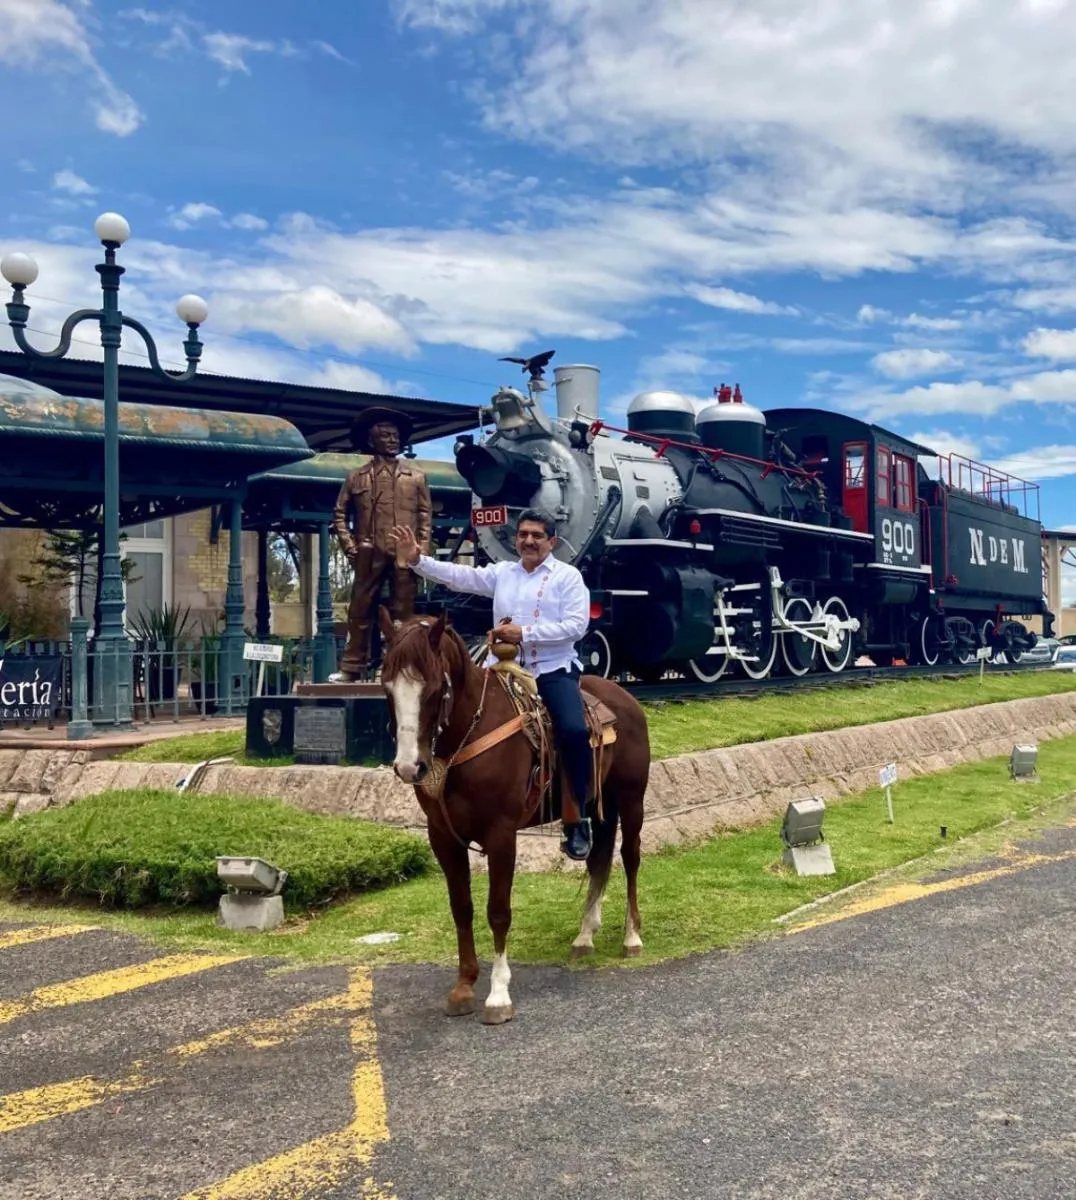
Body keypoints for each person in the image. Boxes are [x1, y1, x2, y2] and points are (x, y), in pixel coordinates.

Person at [391, 509, 595, 861]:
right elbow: (460, 576)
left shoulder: (568, 577)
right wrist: (417, 560)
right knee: (445, 711)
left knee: (574, 731)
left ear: (552, 542)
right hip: (501, 669)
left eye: (537, 535)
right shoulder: (504, 573)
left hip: (551, 669)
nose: (528, 541)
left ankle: (577, 818)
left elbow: (577, 627)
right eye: (523, 534)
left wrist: (525, 633)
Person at [330, 407, 432, 682]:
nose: (393, 440)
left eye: (396, 436)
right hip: (368, 551)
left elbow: (425, 516)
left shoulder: (417, 477)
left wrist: (421, 549)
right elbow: (339, 514)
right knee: (360, 611)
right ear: (371, 440)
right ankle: (352, 667)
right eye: (386, 436)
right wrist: (350, 546)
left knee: (404, 614)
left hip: (403, 553)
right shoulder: (356, 477)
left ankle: (397, 664)